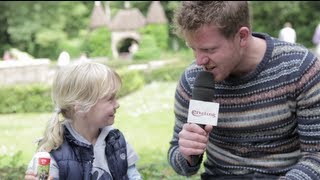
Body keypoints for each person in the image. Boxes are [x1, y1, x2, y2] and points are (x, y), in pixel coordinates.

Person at [168, 1, 320, 180]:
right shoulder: (193, 79)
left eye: (209, 49)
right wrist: (186, 154)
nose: (199, 60)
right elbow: (179, 160)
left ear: (242, 36)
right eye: (193, 48)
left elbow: (316, 155)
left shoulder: (299, 68)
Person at [25, 62, 142, 180]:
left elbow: (133, 175)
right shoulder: (52, 151)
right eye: (110, 98)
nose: (117, 104)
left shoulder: (116, 141)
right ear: (81, 106)